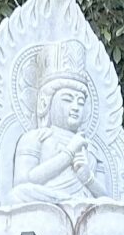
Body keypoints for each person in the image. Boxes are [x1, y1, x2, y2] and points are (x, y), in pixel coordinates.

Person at [10, 69, 103, 205]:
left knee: (109, 205)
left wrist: (88, 178)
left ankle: (73, 204)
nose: (76, 107)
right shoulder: (35, 138)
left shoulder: (89, 148)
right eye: (67, 99)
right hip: (47, 202)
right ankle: (68, 203)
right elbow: (22, 182)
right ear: (46, 103)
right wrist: (68, 154)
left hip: (84, 206)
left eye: (81, 102)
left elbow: (106, 197)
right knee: (19, 193)